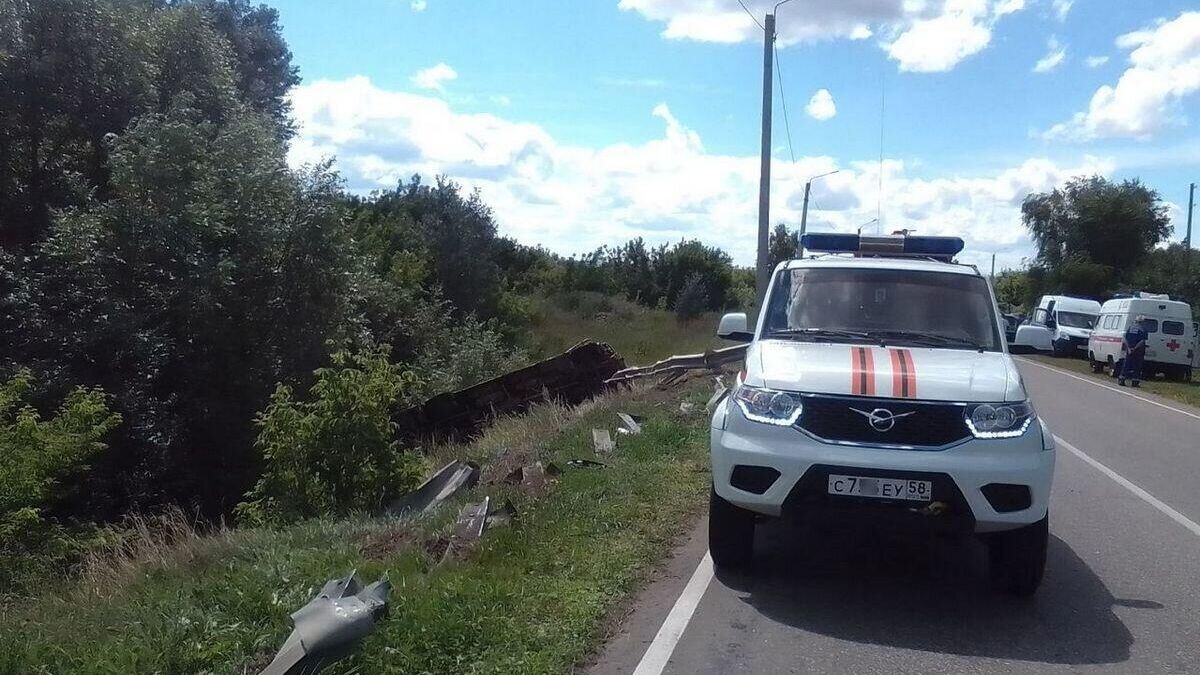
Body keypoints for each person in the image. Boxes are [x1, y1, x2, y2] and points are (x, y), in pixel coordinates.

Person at [1119, 315, 1149, 387]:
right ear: (1142, 322)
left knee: (1126, 365)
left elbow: (1125, 339)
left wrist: (1129, 348)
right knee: (1137, 366)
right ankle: (1135, 382)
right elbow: (1142, 341)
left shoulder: (1130, 328)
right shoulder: (1143, 330)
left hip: (1129, 350)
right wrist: (1135, 348)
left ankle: (1121, 380)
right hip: (1138, 351)